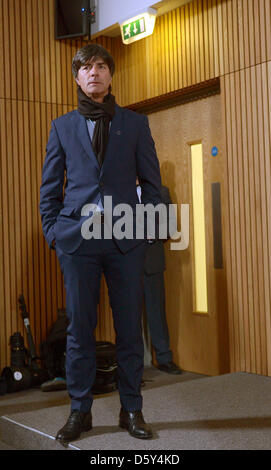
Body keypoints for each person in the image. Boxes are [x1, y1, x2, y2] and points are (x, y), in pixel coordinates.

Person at [39, 44, 162, 444]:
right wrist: (55, 235)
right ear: (76, 78)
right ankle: (80, 412)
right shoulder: (61, 127)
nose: (94, 72)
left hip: (126, 241)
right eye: (85, 67)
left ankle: (132, 409)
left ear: (110, 76)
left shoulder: (136, 124)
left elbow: (153, 188)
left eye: (101, 66)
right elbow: (50, 192)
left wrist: (145, 233)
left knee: (129, 330)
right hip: (78, 243)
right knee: (80, 331)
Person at [137, 182, 182, 374]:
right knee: (127, 316)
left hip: (152, 259)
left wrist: (151, 234)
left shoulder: (160, 191)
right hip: (124, 262)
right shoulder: (117, 189)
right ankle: (133, 364)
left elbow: (170, 227)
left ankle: (164, 358)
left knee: (157, 311)